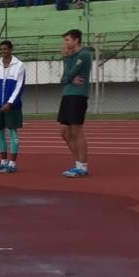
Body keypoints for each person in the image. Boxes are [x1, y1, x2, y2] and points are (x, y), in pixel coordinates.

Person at [0, 40, 26, 174]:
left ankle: (12, 163)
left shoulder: (19, 65)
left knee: (13, 132)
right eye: (1, 49)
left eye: (5, 49)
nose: (3, 51)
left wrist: (10, 102)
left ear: (11, 50)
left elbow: (19, 86)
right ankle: (3, 162)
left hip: (12, 106)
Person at [58, 29, 92, 178]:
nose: (65, 44)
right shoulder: (71, 56)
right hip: (67, 94)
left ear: (76, 40)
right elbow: (64, 78)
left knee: (76, 131)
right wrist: (68, 76)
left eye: (67, 40)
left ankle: (83, 166)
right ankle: (77, 164)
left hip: (78, 95)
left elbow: (69, 75)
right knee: (64, 132)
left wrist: (66, 60)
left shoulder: (83, 55)